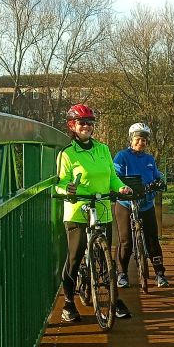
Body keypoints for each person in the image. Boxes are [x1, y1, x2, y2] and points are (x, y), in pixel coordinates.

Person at [55, 103, 133, 322]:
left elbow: (112, 177)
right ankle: (69, 303)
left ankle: (113, 298)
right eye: (82, 122)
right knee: (75, 257)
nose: (86, 126)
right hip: (78, 209)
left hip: (102, 207)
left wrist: (121, 187)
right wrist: (67, 189)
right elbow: (60, 183)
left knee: (105, 255)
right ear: (72, 125)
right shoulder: (67, 153)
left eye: (90, 122)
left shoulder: (103, 149)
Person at [113, 123, 169, 288]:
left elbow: (157, 175)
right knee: (126, 241)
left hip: (146, 204)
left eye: (144, 140)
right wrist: (122, 187)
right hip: (126, 203)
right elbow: (115, 175)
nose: (141, 142)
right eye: (138, 139)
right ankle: (122, 274)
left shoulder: (149, 159)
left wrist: (160, 181)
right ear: (131, 140)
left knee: (152, 240)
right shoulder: (122, 156)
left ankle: (159, 274)